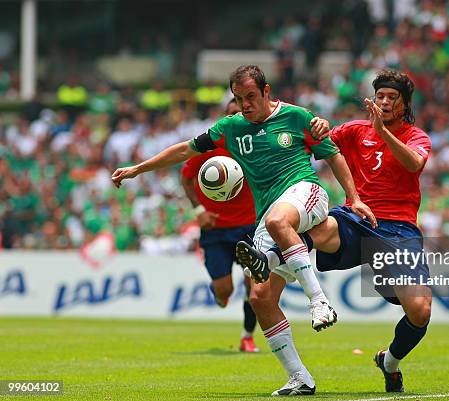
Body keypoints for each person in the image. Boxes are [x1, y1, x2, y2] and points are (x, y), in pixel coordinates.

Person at [112, 65, 375, 396]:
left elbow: (333, 156)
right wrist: (138, 168)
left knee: (281, 222)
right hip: (267, 215)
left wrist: (354, 198)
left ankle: (319, 301)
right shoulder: (231, 128)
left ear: (266, 92)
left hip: (305, 193)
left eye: (251, 97)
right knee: (259, 297)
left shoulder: (297, 117)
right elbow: (184, 150)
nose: (245, 104)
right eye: (239, 98)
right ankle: (300, 377)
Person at [237, 69, 432, 393]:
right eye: (380, 96)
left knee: (420, 312)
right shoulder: (355, 131)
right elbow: (316, 143)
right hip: (358, 217)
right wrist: (321, 126)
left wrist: (383, 133)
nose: (384, 102)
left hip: (399, 230)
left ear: (404, 104)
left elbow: (414, 164)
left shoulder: (416, 136)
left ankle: (390, 363)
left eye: (391, 98)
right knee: (322, 227)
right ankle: (266, 260)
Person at [180, 98, 258, 353]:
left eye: (241, 113)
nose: (237, 117)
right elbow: (186, 176)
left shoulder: (257, 145)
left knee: (254, 287)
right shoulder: (209, 146)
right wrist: (199, 211)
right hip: (215, 230)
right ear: (225, 118)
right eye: (232, 113)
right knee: (224, 292)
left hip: (249, 227)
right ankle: (219, 293)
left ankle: (247, 336)